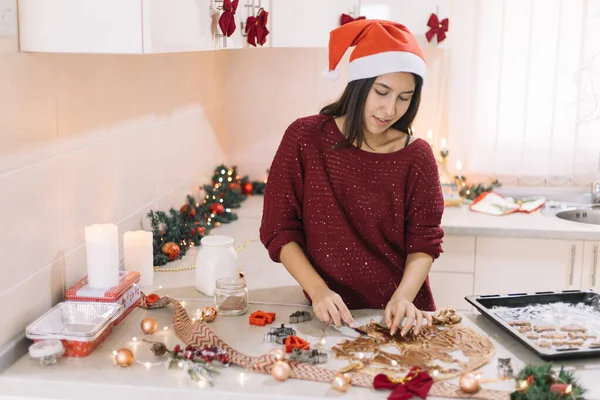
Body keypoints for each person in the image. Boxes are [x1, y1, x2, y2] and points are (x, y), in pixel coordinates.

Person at [259, 19, 444, 337]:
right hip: (329, 314)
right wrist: (318, 291)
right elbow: (279, 230)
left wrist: (402, 297)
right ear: (359, 85)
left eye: (405, 97)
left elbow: (424, 242)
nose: (390, 109)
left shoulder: (418, 156)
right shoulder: (305, 138)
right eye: (382, 92)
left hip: (401, 317)